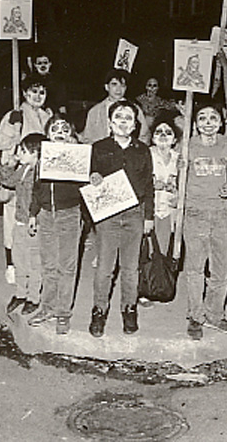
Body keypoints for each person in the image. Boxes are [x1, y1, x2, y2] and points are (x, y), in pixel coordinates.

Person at [88, 100, 154, 337]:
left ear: (135, 124)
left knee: (130, 268)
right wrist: (93, 178)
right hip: (108, 215)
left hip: (135, 214)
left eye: (129, 117)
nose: (123, 121)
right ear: (110, 122)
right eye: (118, 116)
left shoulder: (142, 150)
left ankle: (129, 308)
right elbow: (89, 178)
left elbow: (148, 184)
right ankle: (99, 310)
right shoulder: (98, 147)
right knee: (105, 268)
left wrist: (148, 216)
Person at [183, 101, 227, 340]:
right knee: (195, 267)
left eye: (213, 118)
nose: (208, 123)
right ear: (195, 123)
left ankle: (215, 314)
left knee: (221, 267)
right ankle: (196, 316)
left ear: (221, 122)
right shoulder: (187, 144)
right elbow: (178, 175)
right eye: (202, 118)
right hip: (195, 211)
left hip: (220, 212)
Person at [27, 114, 83, 335]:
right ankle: (47, 307)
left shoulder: (77, 156)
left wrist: (77, 158)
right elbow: (36, 188)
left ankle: (63, 313)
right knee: (48, 265)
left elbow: (86, 184)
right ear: (47, 134)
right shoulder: (43, 159)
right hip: (46, 215)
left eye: (65, 129)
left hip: (69, 214)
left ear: (70, 134)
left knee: (66, 266)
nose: (60, 132)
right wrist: (33, 214)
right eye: (54, 129)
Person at [0, 75, 52, 284]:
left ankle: (34, 265)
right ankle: (11, 264)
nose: (37, 96)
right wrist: (11, 127)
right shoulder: (15, 114)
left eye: (42, 92)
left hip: (40, 173)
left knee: (35, 217)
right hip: (19, 170)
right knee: (13, 218)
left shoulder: (47, 116)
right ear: (25, 93)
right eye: (33, 91)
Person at [0, 133, 45, 317]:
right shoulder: (23, 169)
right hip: (20, 221)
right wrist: (9, 165)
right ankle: (20, 293)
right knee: (19, 259)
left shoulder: (42, 174)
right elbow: (7, 182)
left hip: (35, 224)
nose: (20, 154)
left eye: (23, 151)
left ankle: (33, 297)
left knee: (34, 262)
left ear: (36, 153)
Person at [81, 69, 150, 144]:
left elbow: (145, 136)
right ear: (107, 87)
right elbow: (87, 139)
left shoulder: (135, 109)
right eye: (114, 84)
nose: (118, 89)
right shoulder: (95, 111)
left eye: (122, 85)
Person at [149, 115, 180, 255]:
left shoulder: (180, 158)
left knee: (164, 248)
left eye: (168, 132)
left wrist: (177, 193)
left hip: (169, 210)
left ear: (174, 140)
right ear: (152, 138)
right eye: (158, 131)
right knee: (148, 248)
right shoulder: (146, 154)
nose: (163, 135)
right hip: (150, 208)